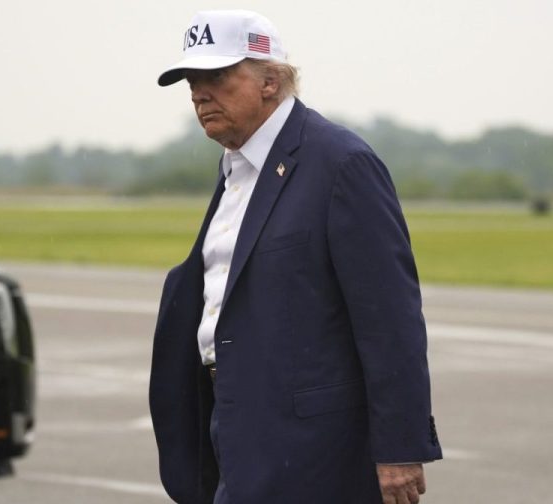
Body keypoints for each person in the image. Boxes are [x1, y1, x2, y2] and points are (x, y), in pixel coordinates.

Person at [149, 10, 442, 504]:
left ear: (270, 81)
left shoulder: (341, 164)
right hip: (235, 426)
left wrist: (400, 447)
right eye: (192, 81)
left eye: (217, 77)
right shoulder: (236, 168)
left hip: (314, 451)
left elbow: (390, 319)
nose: (199, 94)